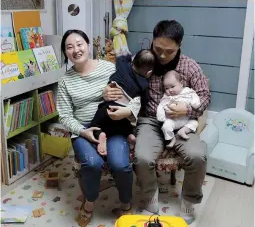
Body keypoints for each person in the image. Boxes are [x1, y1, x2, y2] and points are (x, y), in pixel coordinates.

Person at [104, 20, 211, 225]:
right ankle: (150, 198)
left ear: (180, 45)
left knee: (198, 156)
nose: (161, 56)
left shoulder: (190, 66)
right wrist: (108, 89)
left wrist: (187, 109)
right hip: (150, 121)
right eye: (158, 48)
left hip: (182, 122)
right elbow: (119, 78)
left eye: (168, 51)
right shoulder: (142, 60)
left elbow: (205, 97)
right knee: (142, 157)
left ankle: (189, 202)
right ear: (152, 41)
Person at [57, 29, 140, 226]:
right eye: (70, 47)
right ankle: (89, 202)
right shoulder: (65, 81)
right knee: (92, 163)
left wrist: (123, 108)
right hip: (83, 129)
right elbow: (65, 115)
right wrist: (82, 131)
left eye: (80, 44)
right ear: (65, 53)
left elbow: (132, 95)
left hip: (112, 126)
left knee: (120, 164)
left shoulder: (108, 68)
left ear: (88, 45)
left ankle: (126, 205)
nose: (76, 50)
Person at [88, 49, 155, 154]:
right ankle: (129, 135)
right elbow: (145, 100)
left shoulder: (122, 66)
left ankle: (99, 133)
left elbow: (121, 58)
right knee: (125, 124)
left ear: (133, 61)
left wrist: (128, 58)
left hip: (108, 106)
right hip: (123, 111)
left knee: (95, 123)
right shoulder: (144, 84)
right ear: (149, 72)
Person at [157, 70, 201, 148]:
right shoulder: (167, 97)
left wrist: (195, 103)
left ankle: (183, 131)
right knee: (166, 126)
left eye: (173, 86)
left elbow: (194, 95)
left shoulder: (187, 91)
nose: (170, 90)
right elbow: (161, 105)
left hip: (186, 119)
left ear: (181, 84)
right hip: (173, 120)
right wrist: (161, 117)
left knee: (194, 123)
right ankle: (172, 139)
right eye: (166, 88)